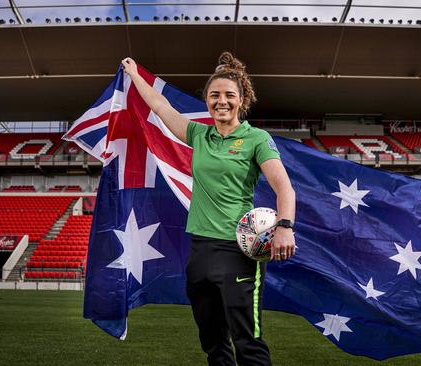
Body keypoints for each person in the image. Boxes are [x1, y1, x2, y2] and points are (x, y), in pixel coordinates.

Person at [121, 52, 296, 366]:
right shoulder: (199, 135)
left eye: (229, 95)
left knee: (248, 342)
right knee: (213, 342)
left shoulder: (257, 139)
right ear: (207, 100)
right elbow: (161, 107)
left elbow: (284, 187)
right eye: (214, 95)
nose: (222, 101)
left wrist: (284, 227)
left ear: (242, 100)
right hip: (200, 251)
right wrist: (134, 75)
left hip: (239, 253)